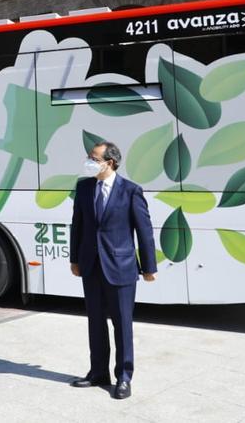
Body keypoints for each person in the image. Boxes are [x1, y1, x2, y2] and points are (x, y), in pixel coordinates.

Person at [69, 140, 157, 400]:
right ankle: (98, 373)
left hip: (121, 267)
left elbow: (144, 231)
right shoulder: (84, 187)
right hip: (91, 266)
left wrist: (149, 267)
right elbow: (78, 225)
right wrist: (75, 259)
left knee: (122, 324)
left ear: (110, 162)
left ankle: (124, 377)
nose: (89, 160)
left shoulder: (130, 191)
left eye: (93, 157)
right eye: (89, 156)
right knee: (95, 322)